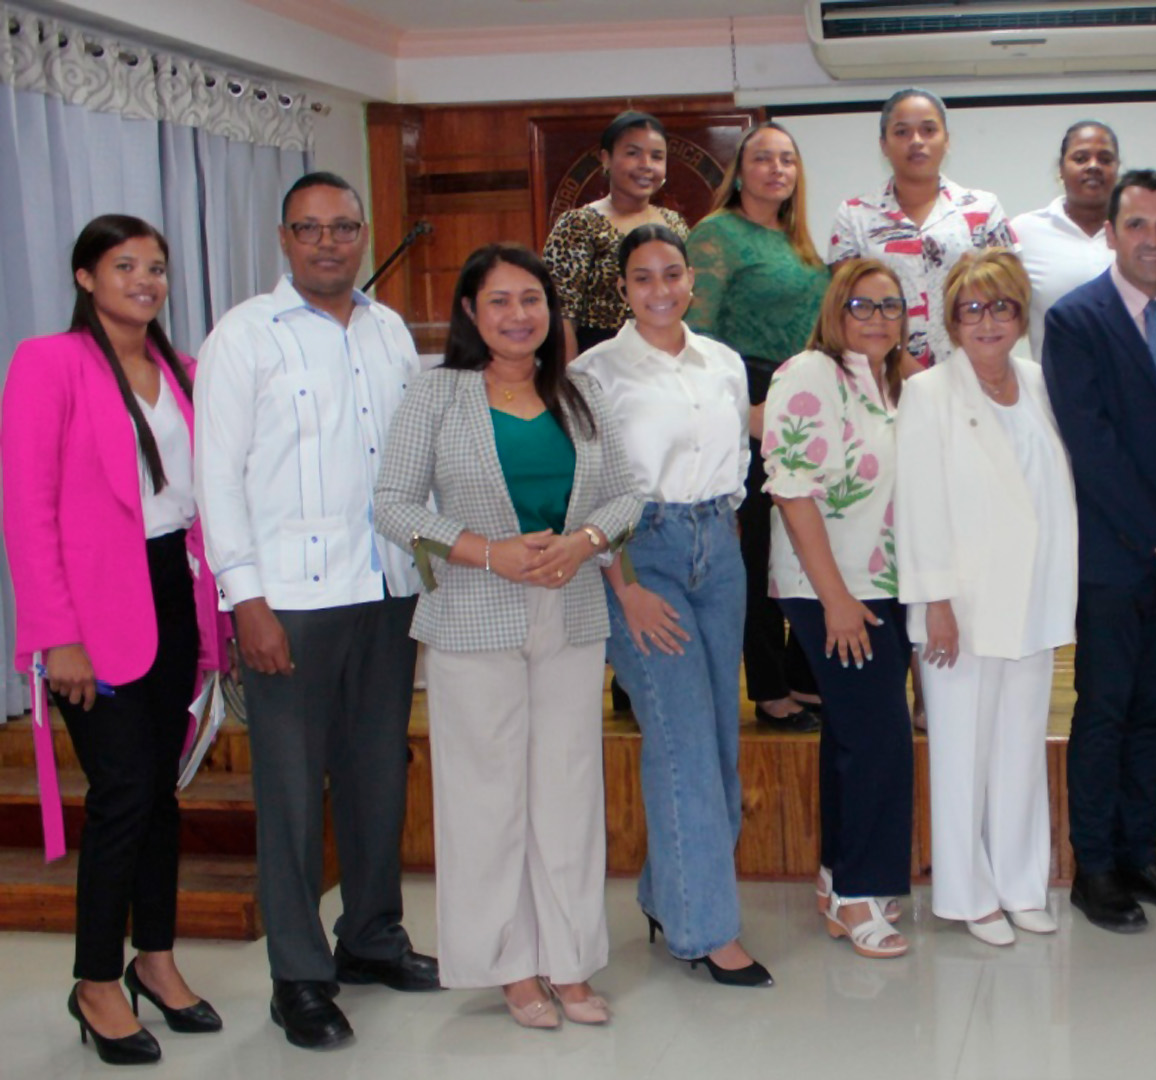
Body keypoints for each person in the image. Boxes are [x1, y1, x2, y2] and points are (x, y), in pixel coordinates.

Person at [195, 172, 438, 1050]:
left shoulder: (388, 330)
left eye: (342, 227)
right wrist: (245, 600)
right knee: (293, 794)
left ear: (363, 233)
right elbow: (216, 477)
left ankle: (370, 937)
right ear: (284, 239)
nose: (328, 242)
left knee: (378, 776)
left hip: (384, 589)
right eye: (310, 228)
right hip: (289, 603)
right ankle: (298, 975)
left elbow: (411, 459)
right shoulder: (244, 335)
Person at [373, 244, 641, 1026]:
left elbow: (627, 496)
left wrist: (584, 542)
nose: (518, 315)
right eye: (499, 300)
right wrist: (485, 551)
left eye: (532, 299)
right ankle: (510, 968)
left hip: (570, 608)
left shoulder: (582, 391)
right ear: (470, 312)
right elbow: (392, 504)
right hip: (472, 613)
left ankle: (570, 960)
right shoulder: (437, 394)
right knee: (485, 798)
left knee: (568, 792)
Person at [3, 215, 225, 1066]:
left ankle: (154, 961)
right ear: (85, 276)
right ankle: (95, 980)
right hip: (93, 612)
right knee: (123, 792)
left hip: (173, 590)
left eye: (157, 267)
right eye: (125, 265)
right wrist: (56, 636)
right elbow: (27, 508)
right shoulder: (48, 362)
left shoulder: (182, 369)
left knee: (160, 792)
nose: (145, 281)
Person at [575, 225, 775, 987]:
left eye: (671, 274)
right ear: (622, 290)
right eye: (642, 277)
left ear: (691, 280)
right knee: (682, 740)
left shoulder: (722, 362)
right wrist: (623, 585)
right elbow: (589, 489)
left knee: (717, 736)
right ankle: (706, 932)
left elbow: (738, 464)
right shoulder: (595, 372)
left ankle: (670, 894)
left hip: (717, 549)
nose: (659, 289)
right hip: (640, 552)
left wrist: (722, 537)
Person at [1042, 169, 1156, 933]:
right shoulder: (1074, 320)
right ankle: (1096, 869)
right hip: (1113, 558)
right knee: (1105, 711)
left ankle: (1140, 853)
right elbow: (1092, 446)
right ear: (1111, 233)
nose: (1153, 239)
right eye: (1138, 225)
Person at [896, 250, 1077, 946]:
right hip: (962, 609)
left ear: (1021, 316)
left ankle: (1021, 886)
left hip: (1033, 599)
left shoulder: (1037, 381)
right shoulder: (929, 393)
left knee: (1020, 749)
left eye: (1002, 306)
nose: (987, 321)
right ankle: (969, 896)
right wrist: (935, 602)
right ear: (951, 322)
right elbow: (919, 505)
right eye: (971, 309)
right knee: (963, 756)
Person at [763, 258, 918, 959]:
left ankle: (835, 880)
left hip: (885, 583)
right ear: (835, 309)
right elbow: (791, 490)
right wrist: (836, 600)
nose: (878, 318)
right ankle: (861, 892)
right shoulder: (810, 374)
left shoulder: (892, 381)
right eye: (862, 305)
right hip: (833, 585)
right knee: (880, 739)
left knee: (856, 735)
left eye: (891, 306)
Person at [686, 121, 831, 734]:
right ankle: (770, 689)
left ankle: (803, 676)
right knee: (757, 551)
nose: (776, 169)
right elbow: (693, 337)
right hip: (743, 395)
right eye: (763, 158)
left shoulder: (800, 245)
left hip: (801, 396)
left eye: (787, 160)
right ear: (739, 172)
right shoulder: (716, 234)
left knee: (807, 538)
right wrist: (739, 411)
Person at [829, 88, 1017, 367]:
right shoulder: (854, 215)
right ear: (883, 144)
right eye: (902, 132)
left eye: (928, 130)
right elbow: (850, 310)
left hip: (972, 373)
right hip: (884, 375)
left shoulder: (984, 210)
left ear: (946, 140)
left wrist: (960, 377)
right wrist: (910, 373)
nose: (916, 141)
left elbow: (1006, 301)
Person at [1010, 120, 1156, 360]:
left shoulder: (1148, 237)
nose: (1093, 166)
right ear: (1061, 169)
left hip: (1142, 379)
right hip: (1058, 381)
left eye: (1105, 159)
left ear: (1117, 170)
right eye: (1081, 158)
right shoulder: (1025, 232)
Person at [545, 111, 689, 359]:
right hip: (600, 360)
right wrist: (571, 376)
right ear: (606, 159)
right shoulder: (578, 224)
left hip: (668, 354)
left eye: (656, 156)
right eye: (633, 153)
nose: (646, 165)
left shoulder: (675, 223)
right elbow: (561, 314)